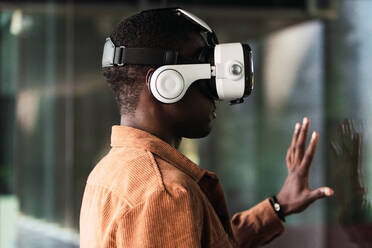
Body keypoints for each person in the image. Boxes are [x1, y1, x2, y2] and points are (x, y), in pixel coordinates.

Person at [79, 8, 334, 248]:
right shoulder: (164, 192)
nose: (216, 95)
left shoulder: (108, 172)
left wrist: (279, 206)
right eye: (207, 76)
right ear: (166, 83)